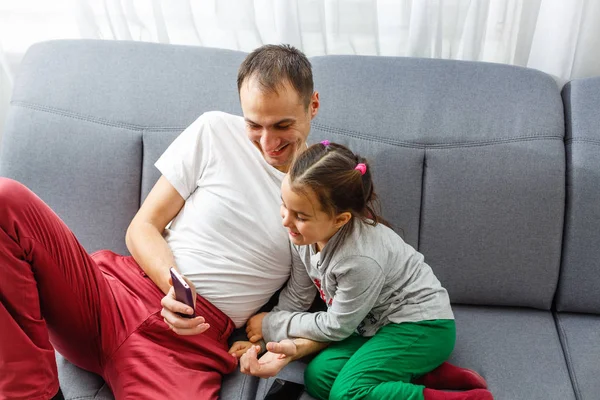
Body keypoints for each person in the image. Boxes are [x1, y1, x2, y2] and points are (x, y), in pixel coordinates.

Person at [0, 44, 320, 400]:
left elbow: (306, 293)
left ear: (313, 107)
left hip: (188, 347)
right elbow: (142, 227)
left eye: (282, 126)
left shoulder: (329, 189)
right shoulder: (214, 130)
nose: (267, 141)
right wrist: (175, 285)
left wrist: (258, 338)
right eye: (254, 125)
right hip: (110, 294)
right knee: (4, 201)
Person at [239, 142, 494, 400]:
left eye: (300, 216)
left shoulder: (359, 259)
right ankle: (422, 372)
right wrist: (262, 341)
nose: (286, 220)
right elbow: (299, 292)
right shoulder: (304, 237)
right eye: (284, 205)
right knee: (317, 378)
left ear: (340, 219)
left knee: (347, 394)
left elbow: (336, 326)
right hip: (371, 328)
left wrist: (272, 323)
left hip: (422, 326)